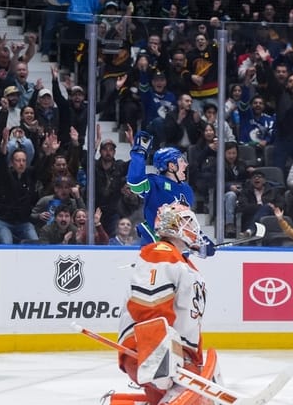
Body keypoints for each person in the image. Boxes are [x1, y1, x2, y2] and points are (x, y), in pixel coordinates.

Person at [117, 202, 211, 405]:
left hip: (175, 356)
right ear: (173, 225)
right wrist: (159, 355)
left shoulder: (181, 261)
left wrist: (194, 360)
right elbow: (149, 304)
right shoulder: (160, 252)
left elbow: (188, 320)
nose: (192, 227)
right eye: (186, 221)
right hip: (154, 353)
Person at [127, 132, 194, 244]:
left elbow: (188, 221)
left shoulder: (187, 190)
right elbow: (135, 184)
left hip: (177, 244)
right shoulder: (155, 182)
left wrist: (199, 240)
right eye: (182, 161)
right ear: (171, 166)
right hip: (155, 243)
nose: (185, 165)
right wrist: (139, 154)